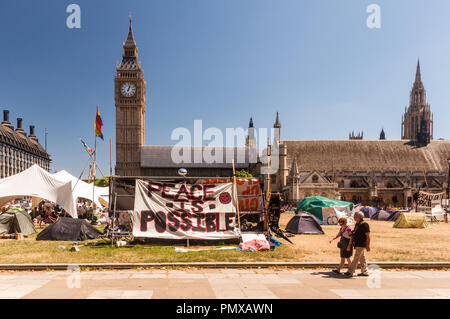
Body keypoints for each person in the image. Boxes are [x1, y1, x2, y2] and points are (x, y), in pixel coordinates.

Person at [344, 211, 371, 277]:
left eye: (355, 216)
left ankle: (350, 271)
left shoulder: (365, 224)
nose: (354, 217)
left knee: (356, 257)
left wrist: (367, 245)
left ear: (359, 217)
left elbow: (368, 235)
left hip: (362, 244)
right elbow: (355, 233)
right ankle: (364, 271)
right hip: (357, 243)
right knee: (362, 258)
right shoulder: (357, 224)